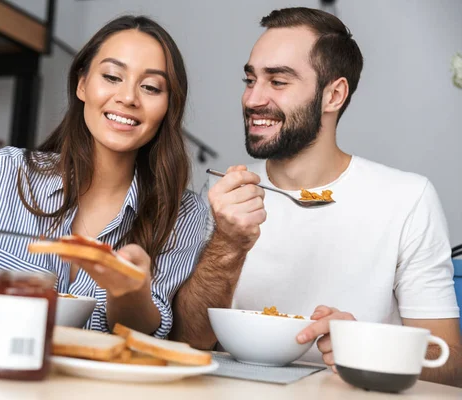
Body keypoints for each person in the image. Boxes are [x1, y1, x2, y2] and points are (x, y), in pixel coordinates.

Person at [0, 15, 208, 338]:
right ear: (82, 84)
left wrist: (128, 290)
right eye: (112, 77)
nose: (128, 97)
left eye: (150, 87)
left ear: (169, 107)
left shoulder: (184, 214)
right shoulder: (3, 174)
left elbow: (144, 333)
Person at [171, 7, 461, 387]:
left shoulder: (407, 198)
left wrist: (368, 347)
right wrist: (226, 243)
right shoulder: (224, 194)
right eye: (250, 79)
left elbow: (452, 364)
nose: (253, 98)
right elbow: (186, 341)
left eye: (278, 82)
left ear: (333, 95)